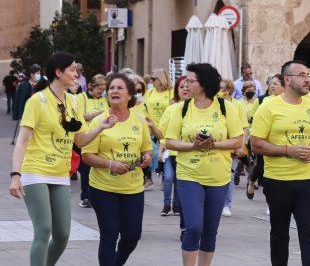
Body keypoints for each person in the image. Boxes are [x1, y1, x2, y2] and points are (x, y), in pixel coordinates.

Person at [9, 52, 116, 266]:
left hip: (60, 173)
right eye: (72, 70)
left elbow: (81, 139)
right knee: (44, 229)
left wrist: (100, 127)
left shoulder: (74, 102)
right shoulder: (37, 101)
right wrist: (15, 175)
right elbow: (22, 141)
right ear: (59, 72)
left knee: (62, 234)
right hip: (35, 171)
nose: (77, 74)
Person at [165, 63, 243, 266]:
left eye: (191, 80)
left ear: (204, 83)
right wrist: (193, 146)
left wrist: (214, 144)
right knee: (194, 227)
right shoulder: (180, 109)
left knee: (210, 231)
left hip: (219, 177)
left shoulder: (227, 107)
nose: (186, 84)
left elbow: (237, 141)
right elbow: (170, 141)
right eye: (185, 80)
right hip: (189, 175)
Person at [250, 61, 310, 266]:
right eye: (302, 75)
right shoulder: (269, 107)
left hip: (308, 180)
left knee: (309, 231)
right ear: (288, 79)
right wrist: (288, 150)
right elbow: (256, 144)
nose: (307, 79)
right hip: (278, 180)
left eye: (308, 76)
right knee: (279, 233)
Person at [81, 73, 153, 266]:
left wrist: (147, 158)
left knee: (132, 236)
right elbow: (86, 155)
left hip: (133, 188)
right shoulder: (99, 121)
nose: (114, 91)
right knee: (109, 233)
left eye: (120, 88)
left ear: (130, 94)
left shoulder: (139, 120)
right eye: (111, 88)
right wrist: (110, 164)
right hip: (103, 188)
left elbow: (147, 149)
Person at [246, 74, 284, 200]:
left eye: (275, 84)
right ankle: (252, 181)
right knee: (262, 165)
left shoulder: (288, 102)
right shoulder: (262, 100)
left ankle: (270, 195)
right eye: (271, 83)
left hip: (280, 140)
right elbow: (251, 118)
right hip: (263, 139)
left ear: (284, 86)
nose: (272, 86)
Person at [76, 74, 108, 208]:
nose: (101, 92)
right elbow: (77, 115)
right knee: (85, 169)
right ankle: (86, 197)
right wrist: (93, 115)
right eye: (99, 89)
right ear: (91, 86)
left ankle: (97, 194)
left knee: (96, 168)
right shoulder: (81, 97)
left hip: (101, 136)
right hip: (85, 136)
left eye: (103, 89)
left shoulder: (104, 99)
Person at [158, 76, 189, 217]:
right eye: (181, 87)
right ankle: (166, 204)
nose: (185, 89)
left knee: (179, 180)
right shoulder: (171, 109)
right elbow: (162, 132)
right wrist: (160, 149)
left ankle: (176, 205)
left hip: (187, 153)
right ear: (177, 89)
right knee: (169, 178)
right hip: (171, 152)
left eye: (187, 86)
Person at [219, 78, 250, 217]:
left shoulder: (237, 105)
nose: (221, 91)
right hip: (218, 145)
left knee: (229, 175)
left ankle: (226, 204)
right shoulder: (215, 103)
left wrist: (241, 144)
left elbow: (244, 127)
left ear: (229, 90)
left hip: (232, 145)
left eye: (223, 88)